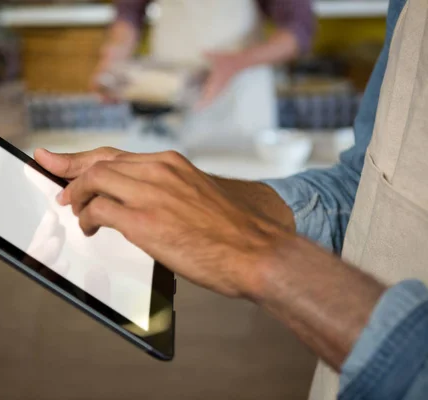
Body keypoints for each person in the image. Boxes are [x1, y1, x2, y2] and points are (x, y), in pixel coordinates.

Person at [33, 0, 428, 398]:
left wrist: (253, 252)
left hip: (239, 103)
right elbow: (366, 186)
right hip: (173, 103)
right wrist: (200, 196)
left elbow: (299, 31)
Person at [92, 0, 315, 152]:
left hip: (238, 104)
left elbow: (298, 31)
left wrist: (236, 62)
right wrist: (115, 55)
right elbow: (130, 11)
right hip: (168, 100)